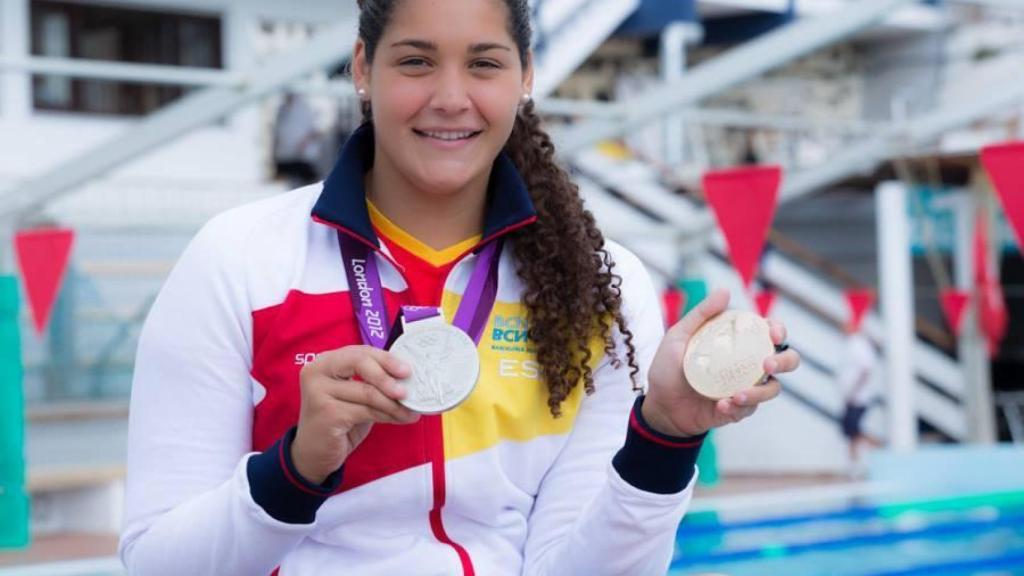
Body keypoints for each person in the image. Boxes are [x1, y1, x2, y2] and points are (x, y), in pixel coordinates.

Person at [118, 1, 800, 574]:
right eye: (415, 61)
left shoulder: (601, 290)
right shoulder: (240, 260)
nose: (450, 98)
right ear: (363, 68)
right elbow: (156, 561)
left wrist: (666, 435)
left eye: (484, 63)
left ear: (525, 75)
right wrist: (295, 469)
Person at [837, 330, 883, 477]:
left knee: (855, 431)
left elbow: (865, 370)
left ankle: (881, 447)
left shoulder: (859, 345)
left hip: (858, 398)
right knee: (851, 433)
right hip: (853, 397)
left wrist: (853, 392)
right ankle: (854, 466)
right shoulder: (854, 344)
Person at [273, 92, 321, 187]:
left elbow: (315, 130)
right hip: (285, 156)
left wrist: (305, 142)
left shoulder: (306, 107)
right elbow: (278, 132)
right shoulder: (282, 109)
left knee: (307, 184)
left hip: (303, 157)